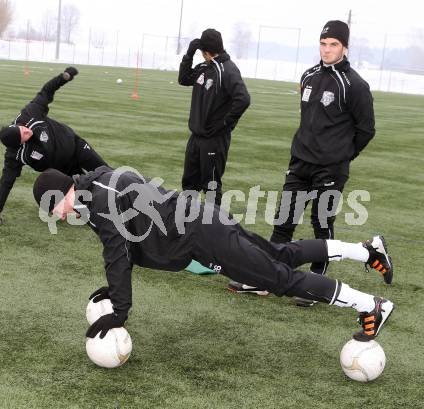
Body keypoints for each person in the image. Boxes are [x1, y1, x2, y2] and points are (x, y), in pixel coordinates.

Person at [33, 166, 394, 342]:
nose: (58, 216)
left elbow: (116, 253)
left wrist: (120, 312)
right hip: (203, 219)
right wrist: (114, 290)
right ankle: (365, 250)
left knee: (279, 279)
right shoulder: (92, 187)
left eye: (53, 209)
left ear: (58, 193)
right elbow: (124, 248)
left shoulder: (97, 201)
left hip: (203, 237)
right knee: (279, 255)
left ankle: (370, 306)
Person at [228, 20, 380, 304]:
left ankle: (317, 288)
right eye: (323, 44)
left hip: (330, 167)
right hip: (300, 163)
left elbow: (367, 129)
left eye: (333, 44)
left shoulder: (355, 85)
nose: (327, 50)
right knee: (283, 222)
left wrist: (342, 155)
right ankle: (265, 280)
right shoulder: (309, 76)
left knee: (322, 223)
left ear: (344, 47)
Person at [0, 67, 108, 226]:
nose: (26, 132)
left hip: (75, 146)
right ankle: (99, 210)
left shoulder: (30, 113)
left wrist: (64, 77)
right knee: (84, 195)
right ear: (18, 145)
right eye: (23, 136)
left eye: (22, 129)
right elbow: (6, 182)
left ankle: (130, 196)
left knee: (106, 173)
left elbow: (46, 90)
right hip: (63, 169)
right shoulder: (14, 156)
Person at [178, 28, 250, 206]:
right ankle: (187, 226)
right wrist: (188, 55)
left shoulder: (227, 69)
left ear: (206, 50)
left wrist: (225, 124)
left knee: (211, 188)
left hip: (214, 140)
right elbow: (184, 79)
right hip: (196, 137)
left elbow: (243, 99)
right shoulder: (204, 67)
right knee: (189, 185)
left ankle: (213, 230)